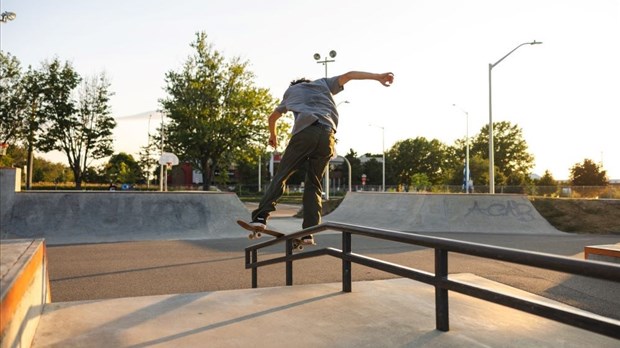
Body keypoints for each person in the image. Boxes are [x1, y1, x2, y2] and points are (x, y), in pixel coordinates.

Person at [248, 71, 394, 245]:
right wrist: (379, 77)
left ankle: (260, 217)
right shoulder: (323, 84)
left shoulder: (291, 91)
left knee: (282, 175)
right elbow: (349, 75)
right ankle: (309, 231)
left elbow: (273, 117)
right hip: (328, 136)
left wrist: (273, 135)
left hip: (305, 133)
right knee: (314, 183)